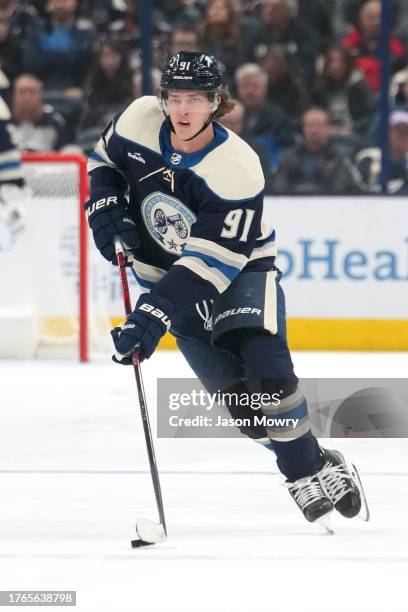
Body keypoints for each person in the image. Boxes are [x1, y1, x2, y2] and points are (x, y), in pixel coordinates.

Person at [85, 52, 367, 528]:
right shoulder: (137, 118)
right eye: (174, 97)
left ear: (217, 102)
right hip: (163, 279)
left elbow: (210, 259)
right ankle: (320, 462)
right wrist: (106, 202)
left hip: (239, 272)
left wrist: (154, 313)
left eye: (195, 99)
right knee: (244, 409)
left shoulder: (237, 166)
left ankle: (298, 472)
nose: (183, 110)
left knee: (268, 371)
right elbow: (104, 161)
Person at [271, 107, 362, 194]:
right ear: (303, 129)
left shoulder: (341, 159)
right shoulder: (289, 157)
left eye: (319, 125)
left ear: (328, 128)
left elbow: (345, 192)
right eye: (310, 125)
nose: (314, 130)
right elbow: (278, 189)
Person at [341, 0, 406, 92]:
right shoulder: (350, 42)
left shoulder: (395, 44)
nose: (377, 22)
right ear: (361, 19)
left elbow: (400, 63)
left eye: (381, 17)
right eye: (371, 17)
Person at [10, 74, 71, 151]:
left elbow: (68, 151)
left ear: (40, 96)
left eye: (31, 92)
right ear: (14, 96)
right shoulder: (4, 121)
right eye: (22, 92)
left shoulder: (54, 122)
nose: (27, 97)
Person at [355, 109, 408, 194]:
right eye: (398, 131)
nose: (402, 137)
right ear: (387, 132)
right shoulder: (369, 157)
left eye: (406, 132)